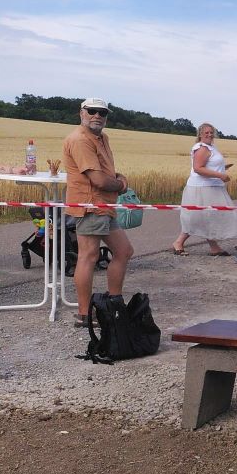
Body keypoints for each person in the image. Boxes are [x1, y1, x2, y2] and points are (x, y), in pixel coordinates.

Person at [62, 98, 134, 328]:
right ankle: (84, 315)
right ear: (81, 113)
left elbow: (106, 172)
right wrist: (121, 185)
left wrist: (117, 177)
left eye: (102, 112)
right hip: (90, 204)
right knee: (89, 256)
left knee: (123, 251)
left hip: (104, 205)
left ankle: (114, 303)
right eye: (92, 111)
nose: (97, 116)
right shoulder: (80, 140)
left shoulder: (102, 138)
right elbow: (98, 179)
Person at [172, 123, 237, 257]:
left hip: (212, 187)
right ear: (200, 135)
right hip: (201, 188)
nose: (210, 135)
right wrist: (220, 175)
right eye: (206, 133)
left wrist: (222, 168)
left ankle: (214, 247)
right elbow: (198, 168)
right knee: (198, 217)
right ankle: (178, 242)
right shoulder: (202, 148)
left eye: (211, 132)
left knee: (210, 216)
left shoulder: (212, 147)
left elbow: (208, 165)